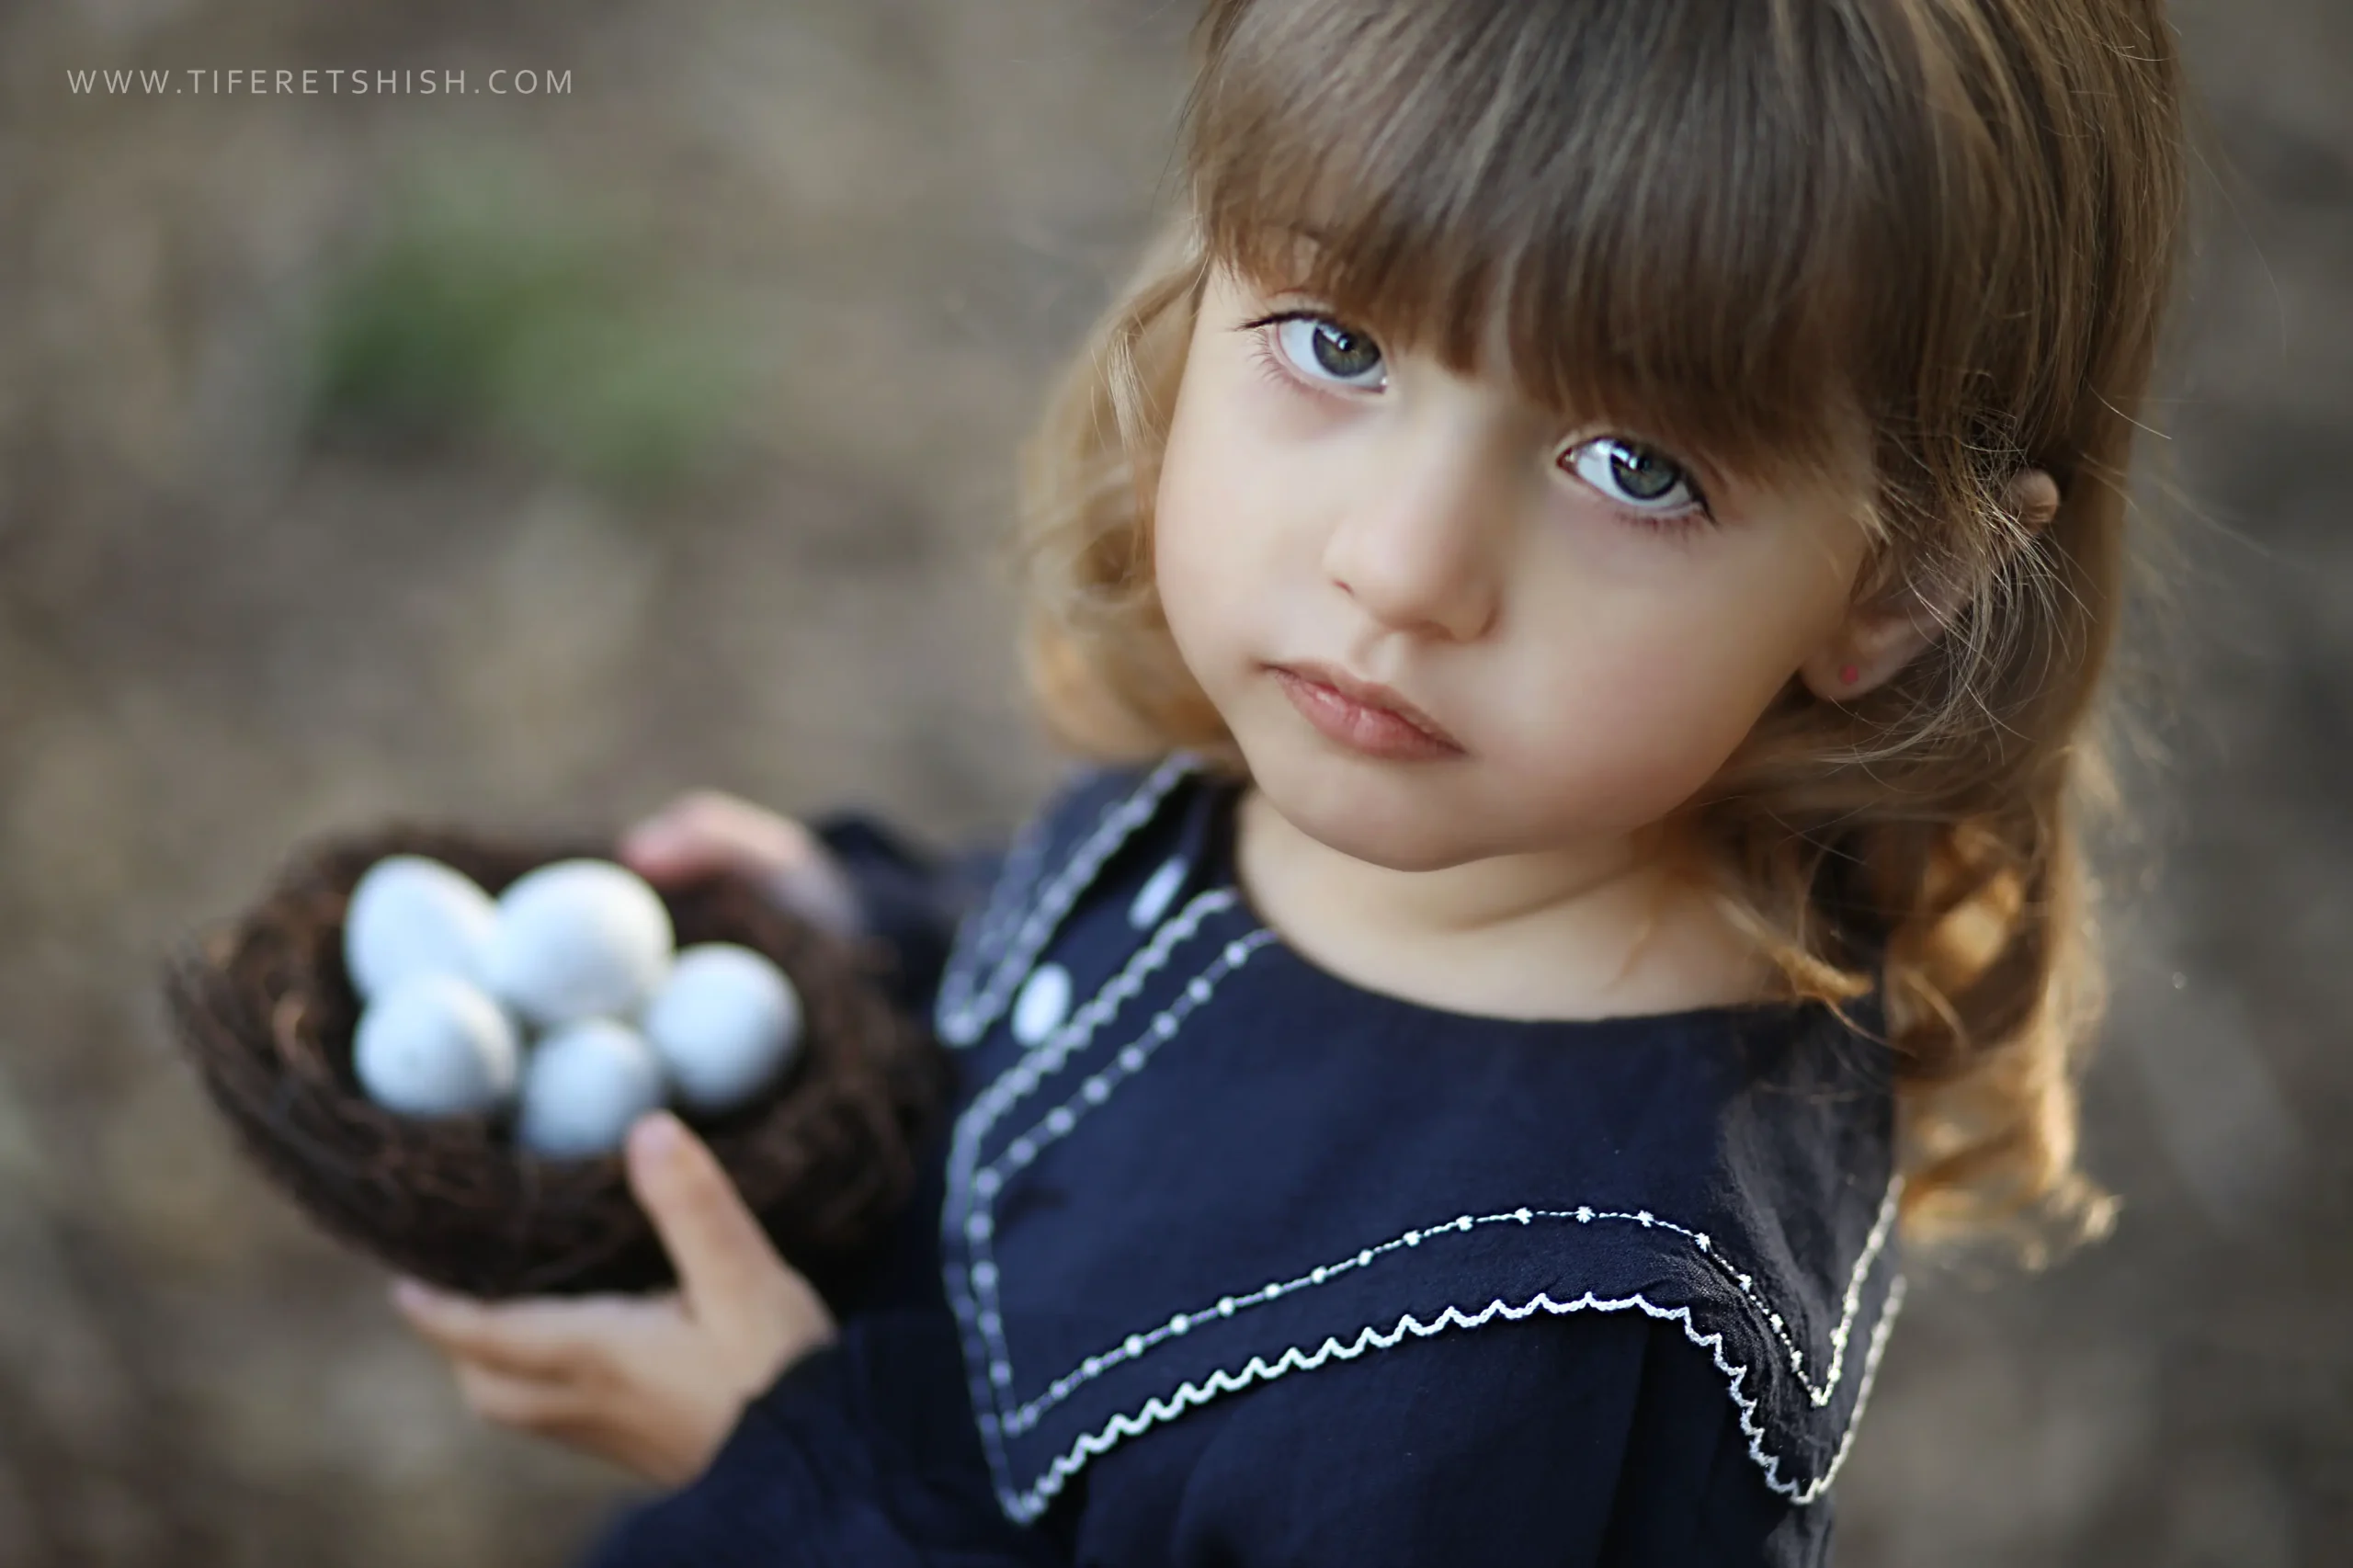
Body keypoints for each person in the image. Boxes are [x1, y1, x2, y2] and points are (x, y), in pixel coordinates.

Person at [387, 0, 2192, 1561]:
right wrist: (891, 938)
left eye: (1636, 467)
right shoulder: (1418, 811)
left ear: (1897, 584)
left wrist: (789, 1474)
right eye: (1339, 346)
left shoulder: (1544, 1374)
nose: (1398, 568)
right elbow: (1180, 1043)